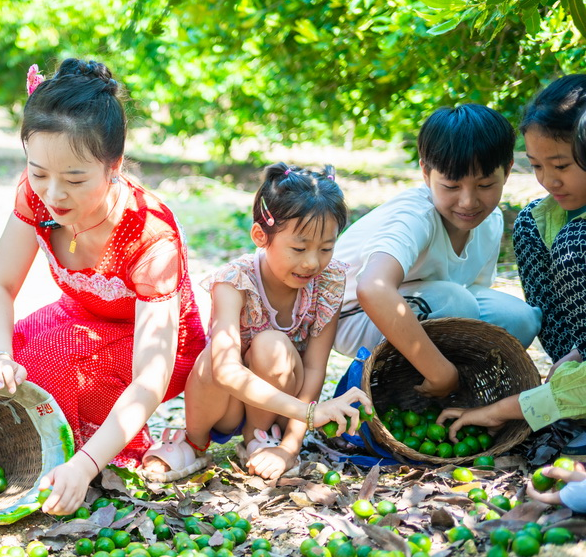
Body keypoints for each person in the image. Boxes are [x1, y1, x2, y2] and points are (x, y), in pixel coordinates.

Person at [0, 59, 206, 515]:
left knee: (57, 370)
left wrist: (84, 465)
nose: (53, 195)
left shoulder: (149, 235)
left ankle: (94, 454)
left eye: (75, 178)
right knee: (3, 366)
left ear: (114, 165)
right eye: (38, 172)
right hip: (77, 317)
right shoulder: (34, 196)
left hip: (152, 346)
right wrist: (1, 356)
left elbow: (150, 379)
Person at [143, 164, 374, 482]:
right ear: (260, 236)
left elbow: (316, 367)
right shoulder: (234, 281)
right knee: (216, 357)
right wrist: (310, 414)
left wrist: (291, 447)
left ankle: (260, 438)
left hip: (279, 405)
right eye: (299, 248)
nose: (312, 262)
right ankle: (195, 442)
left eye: (326, 249)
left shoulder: (329, 280)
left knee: (272, 345)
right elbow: (224, 370)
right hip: (226, 403)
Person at [333, 104, 541, 400]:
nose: (468, 201)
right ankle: (407, 389)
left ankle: (455, 391)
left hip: (425, 302)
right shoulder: (415, 217)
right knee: (456, 304)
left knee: (520, 318)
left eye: (484, 185)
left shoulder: (490, 221)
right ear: (426, 173)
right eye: (451, 186)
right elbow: (372, 289)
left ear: (506, 171)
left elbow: (475, 295)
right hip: (353, 316)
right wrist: (440, 372)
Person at [436, 76, 586, 440]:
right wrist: (577, 355)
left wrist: (505, 409)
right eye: (536, 166)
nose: (549, 180)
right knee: (533, 222)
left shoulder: (576, 240)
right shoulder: (542, 220)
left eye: (561, 166)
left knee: (574, 240)